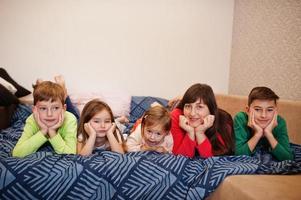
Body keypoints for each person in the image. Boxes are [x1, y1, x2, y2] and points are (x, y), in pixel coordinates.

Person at [12, 81, 78, 157]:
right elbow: (17, 153)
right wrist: (43, 131)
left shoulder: (70, 120)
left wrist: (52, 132)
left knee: (77, 115)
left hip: (70, 116)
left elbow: (70, 154)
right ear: (34, 110)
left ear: (64, 109)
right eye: (43, 108)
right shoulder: (32, 120)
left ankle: (63, 86)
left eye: (55, 108)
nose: (49, 114)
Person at [171, 83, 234, 158]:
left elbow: (211, 159)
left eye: (199, 107)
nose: (192, 113)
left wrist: (200, 133)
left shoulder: (223, 121)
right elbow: (179, 158)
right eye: (188, 106)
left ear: (210, 109)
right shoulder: (176, 116)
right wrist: (190, 132)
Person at [234, 86, 293, 161]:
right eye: (258, 109)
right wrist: (258, 134)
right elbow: (238, 155)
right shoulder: (241, 119)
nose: (263, 115)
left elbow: (288, 158)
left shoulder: (280, 122)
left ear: (276, 111)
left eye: (269, 110)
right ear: (248, 110)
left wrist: (268, 133)